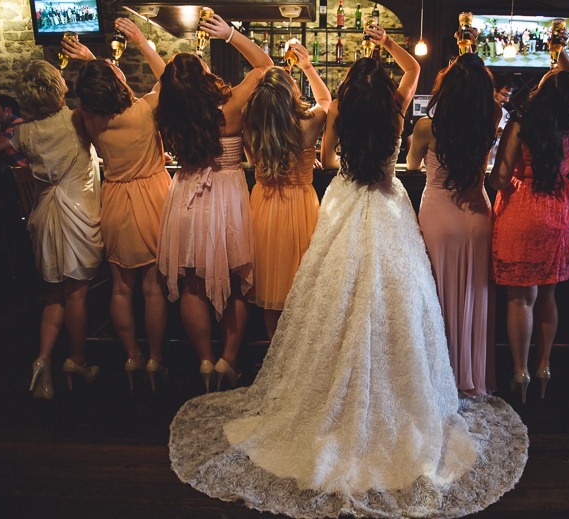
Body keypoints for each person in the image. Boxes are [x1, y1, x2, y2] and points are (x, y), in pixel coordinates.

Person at [169, 23, 527, 518]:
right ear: (384, 94)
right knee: (396, 302)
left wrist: (341, 149)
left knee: (333, 299)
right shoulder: (400, 110)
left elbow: (328, 157)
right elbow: (415, 69)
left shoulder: (337, 111)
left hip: (345, 202)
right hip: (387, 204)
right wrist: (388, 46)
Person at [156, 14, 273, 392]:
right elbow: (265, 66)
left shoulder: (170, 113)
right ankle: (229, 361)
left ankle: (204, 361)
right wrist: (231, 35)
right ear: (203, 76)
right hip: (227, 197)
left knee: (192, 286)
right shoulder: (232, 105)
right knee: (235, 283)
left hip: (187, 197)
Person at [67, 18, 171, 392]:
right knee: (152, 289)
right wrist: (143, 41)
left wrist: (91, 63)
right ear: (117, 84)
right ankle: (156, 358)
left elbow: (101, 90)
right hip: (152, 199)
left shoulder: (86, 118)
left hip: (113, 200)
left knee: (120, 288)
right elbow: (168, 78)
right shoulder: (144, 111)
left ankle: (131, 356)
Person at [488, 48, 569, 403]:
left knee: (520, 298)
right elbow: (568, 85)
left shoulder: (520, 123)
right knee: (548, 295)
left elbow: (498, 179)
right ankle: (544, 364)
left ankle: (520, 370)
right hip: (559, 211)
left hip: (523, 209)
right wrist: (565, 63)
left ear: (543, 91)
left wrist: (510, 176)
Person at [406, 53, 499, 399]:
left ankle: (440, 377)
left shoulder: (429, 127)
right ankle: (470, 376)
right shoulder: (491, 118)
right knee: (474, 297)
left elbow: (412, 164)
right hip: (478, 214)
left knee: (438, 300)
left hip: (440, 217)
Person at [11, 60, 104, 399]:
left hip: (46, 214)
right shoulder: (76, 120)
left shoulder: (22, 133)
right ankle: (77, 359)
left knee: (56, 293)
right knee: (77, 293)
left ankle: (42, 359)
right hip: (77, 210)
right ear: (58, 86)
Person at [244, 50, 330, 339]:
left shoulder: (250, 127)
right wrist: (307, 65)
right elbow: (325, 101)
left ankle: (273, 352)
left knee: (270, 284)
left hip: (264, 207)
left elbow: (254, 161)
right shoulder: (307, 125)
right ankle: (297, 356)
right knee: (299, 285)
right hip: (300, 206)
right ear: (290, 94)